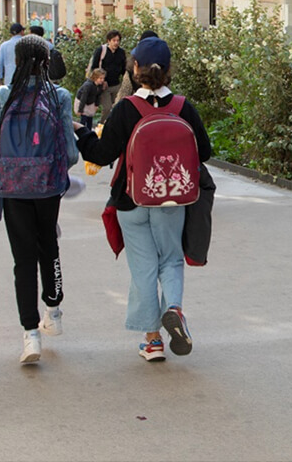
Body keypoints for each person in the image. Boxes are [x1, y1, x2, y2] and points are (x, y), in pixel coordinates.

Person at [76, 37, 212, 362]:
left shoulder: (126, 109)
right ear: (167, 71)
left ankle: (152, 341)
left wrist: (82, 133)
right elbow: (204, 152)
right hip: (171, 201)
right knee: (170, 260)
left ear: (134, 69)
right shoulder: (183, 107)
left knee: (143, 268)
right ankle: (175, 309)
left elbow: (102, 152)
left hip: (131, 200)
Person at [0, 34, 79, 365]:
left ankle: (30, 335)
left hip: (13, 187)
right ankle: (53, 309)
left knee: (22, 260)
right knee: (48, 247)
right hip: (47, 185)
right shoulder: (59, 96)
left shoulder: (2, 96)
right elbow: (69, 152)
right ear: (45, 62)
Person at [87, 30, 126, 124]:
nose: (116, 43)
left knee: (119, 108)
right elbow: (94, 67)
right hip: (104, 85)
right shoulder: (101, 50)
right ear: (108, 41)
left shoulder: (121, 52)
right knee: (107, 108)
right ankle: (102, 126)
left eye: (118, 40)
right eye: (114, 40)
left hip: (116, 84)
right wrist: (101, 81)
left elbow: (124, 68)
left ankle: (115, 127)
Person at [0, 22, 25, 87]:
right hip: (25, 78)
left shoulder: (4, 45)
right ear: (22, 32)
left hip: (9, 78)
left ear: (11, 34)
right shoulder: (26, 44)